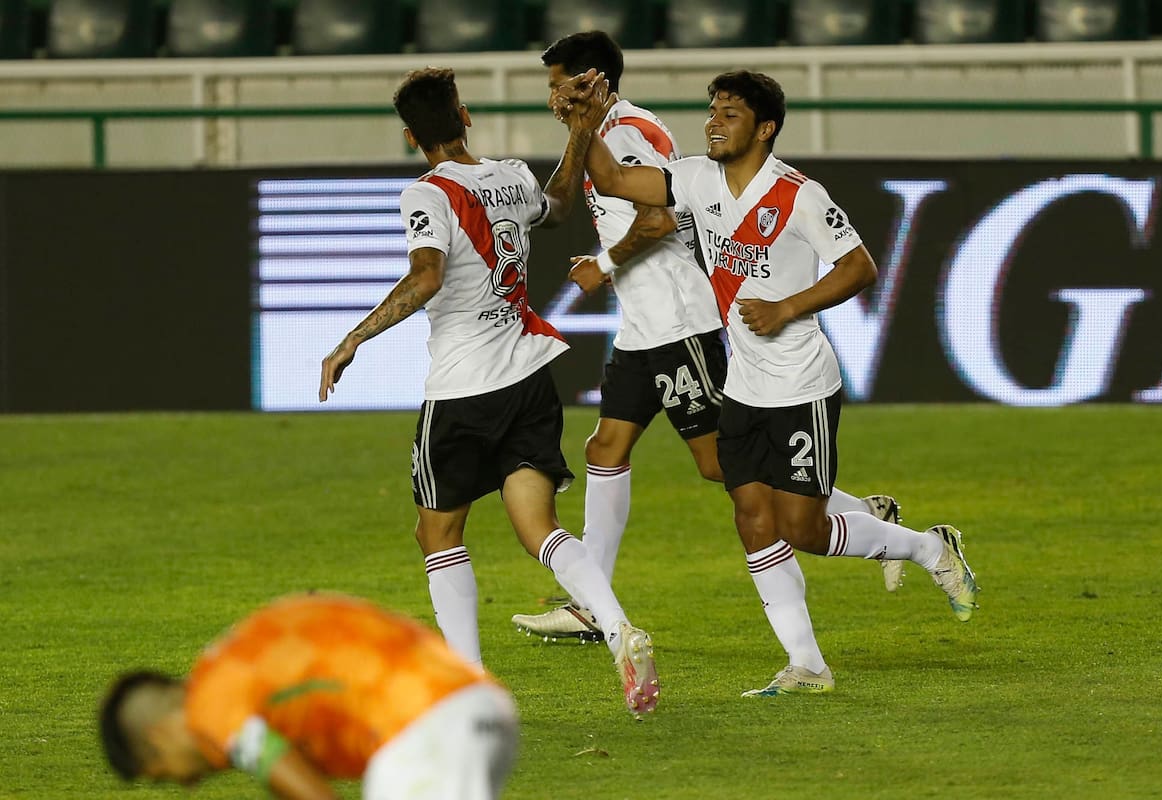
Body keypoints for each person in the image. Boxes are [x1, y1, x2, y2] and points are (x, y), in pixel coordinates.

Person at [563, 70, 979, 696]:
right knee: (753, 521)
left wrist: (789, 307)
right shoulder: (698, 180)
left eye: (729, 114)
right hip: (744, 388)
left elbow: (860, 265)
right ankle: (807, 666)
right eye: (712, 111)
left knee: (804, 530)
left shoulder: (797, 194)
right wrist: (586, 120)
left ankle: (925, 548)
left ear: (765, 128)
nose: (713, 121)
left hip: (802, 384)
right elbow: (618, 181)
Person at [511, 32, 909, 644]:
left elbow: (664, 214)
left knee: (722, 463)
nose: (551, 94)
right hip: (642, 327)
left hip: (679, 320)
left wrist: (604, 263)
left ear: (589, 78)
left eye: (558, 82)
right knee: (604, 449)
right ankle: (591, 604)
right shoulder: (609, 126)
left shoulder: (627, 129)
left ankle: (856, 513)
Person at [317, 68, 657, 715]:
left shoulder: (427, 193)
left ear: (413, 136)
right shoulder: (508, 175)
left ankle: (468, 681)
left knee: (437, 533)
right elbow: (556, 209)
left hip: (463, 389)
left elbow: (426, 276)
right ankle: (617, 627)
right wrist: (581, 133)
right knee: (539, 528)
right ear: (465, 115)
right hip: (528, 375)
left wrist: (354, 338)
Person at [98, 593, 519, 799]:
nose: (187, 784)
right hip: (480, 705)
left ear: (157, 737)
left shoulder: (209, 705)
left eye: (164, 773)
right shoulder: (230, 668)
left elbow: (271, 759)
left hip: (424, 726)